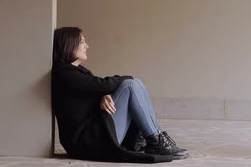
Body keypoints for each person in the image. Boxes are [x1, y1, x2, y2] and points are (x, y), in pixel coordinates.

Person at [52, 27, 189, 163]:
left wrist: (104, 96)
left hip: (94, 135)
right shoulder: (64, 73)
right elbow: (102, 84)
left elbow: (93, 88)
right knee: (130, 84)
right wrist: (119, 82)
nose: (87, 46)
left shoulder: (77, 71)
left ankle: (156, 138)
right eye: (82, 42)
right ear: (69, 44)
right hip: (89, 142)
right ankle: (155, 141)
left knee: (135, 83)